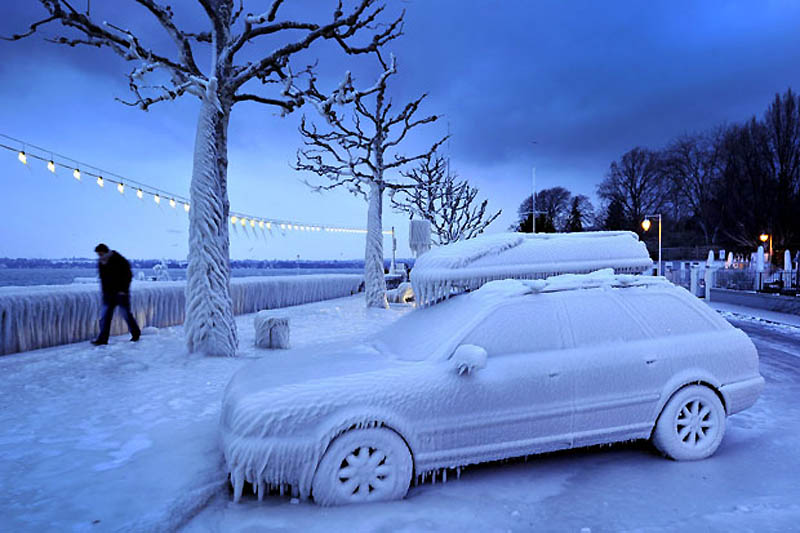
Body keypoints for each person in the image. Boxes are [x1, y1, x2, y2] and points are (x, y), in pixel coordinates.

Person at [91, 243, 141, 345]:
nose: (99, 256)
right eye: (98, 254)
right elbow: (103, 279)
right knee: (105, 317)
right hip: (108, 294)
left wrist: (123, 290)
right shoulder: (101, 262)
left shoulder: (119, 260)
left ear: (105, 252)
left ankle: (136, 333)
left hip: (120, 294)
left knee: (126, 314)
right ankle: (103, 339)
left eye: (100, 254)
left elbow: (128, 275)